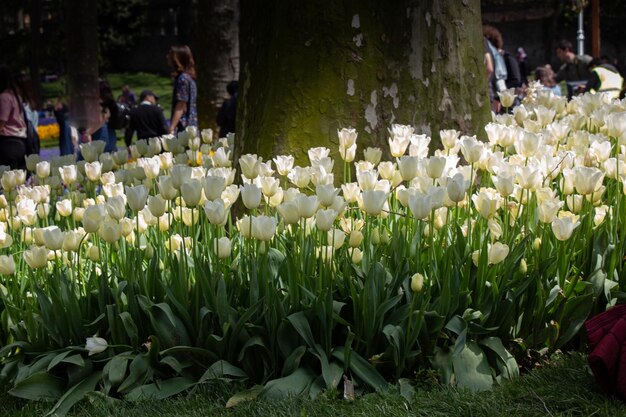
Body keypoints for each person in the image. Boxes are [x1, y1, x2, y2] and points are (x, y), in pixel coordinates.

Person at [0, 65, 27, 170]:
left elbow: (2, 122)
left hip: (8, 143)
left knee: (8, 179)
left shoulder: (4, 97)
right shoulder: (15, 96)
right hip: (20, 141)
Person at [167, 45, 197, 135]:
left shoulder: (182, 79)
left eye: (170, 55)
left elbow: (181, 104)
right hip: (192, 126)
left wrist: (172, 127)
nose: (167, 57)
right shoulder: (189, 78)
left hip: (183, 128)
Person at [90, 79, 118, 153]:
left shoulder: (98, 102)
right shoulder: (109, 101)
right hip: (110, 133)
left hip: (100, 134)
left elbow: (100, 119)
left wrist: (87, 133)